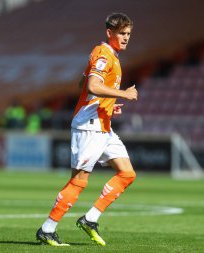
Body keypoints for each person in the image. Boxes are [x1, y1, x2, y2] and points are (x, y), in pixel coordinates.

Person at [36, 12, 138, 246]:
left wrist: (108, 106)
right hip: (89, 127)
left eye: (129, 34)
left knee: (127, 173)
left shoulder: (110, 55)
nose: (126, 38)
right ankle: (47, 229)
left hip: (102, 123)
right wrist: (123, 94)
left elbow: (84, 83)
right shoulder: (103, 53)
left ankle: (90, 219)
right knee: (79, 181)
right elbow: (92, 85)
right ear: (109, 33)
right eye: (122, 33)